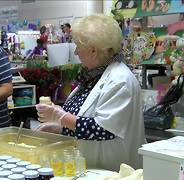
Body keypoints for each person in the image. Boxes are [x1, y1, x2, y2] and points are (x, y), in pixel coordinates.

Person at [35, 14, 146, 171]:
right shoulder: (93, 76)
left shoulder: (120, 80)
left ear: (93, 50)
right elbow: (82, 119)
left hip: (112, 169)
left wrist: (60, 117)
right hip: (89, 167)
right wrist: (60, 128)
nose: (76, 53)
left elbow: (103, 129)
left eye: (78, 48)